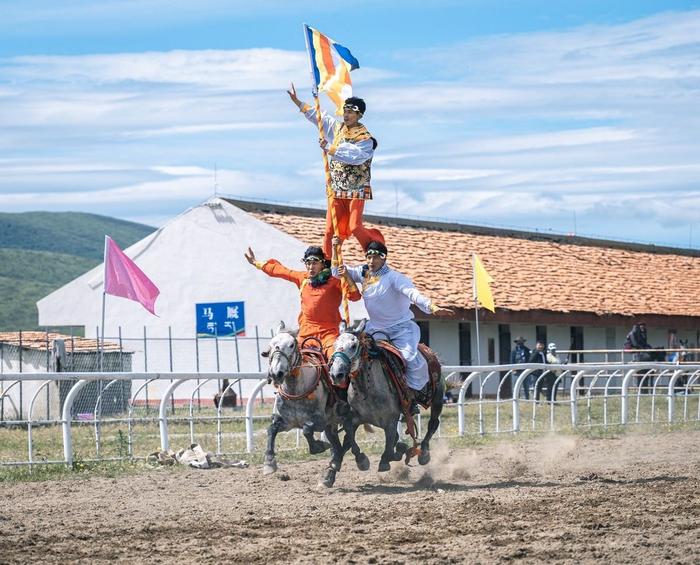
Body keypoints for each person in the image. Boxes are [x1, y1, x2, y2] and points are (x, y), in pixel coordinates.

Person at [333, 236, 452, 408]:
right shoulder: (363, 273)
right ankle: (348, 397)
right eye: (368, 257)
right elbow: (337, 272)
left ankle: (409, 398)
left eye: (375, 257)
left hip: (401, 329)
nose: (371, 261)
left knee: (411, 360)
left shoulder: (394, 277)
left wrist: (432, 306)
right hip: (374, 328)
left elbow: (413, 294)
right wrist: (334, 248)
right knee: (353, 353)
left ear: (384, 258)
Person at [287, 83, 384, 257]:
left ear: (359, 115)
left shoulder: (365, 139)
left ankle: (374, 249)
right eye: (345, 112)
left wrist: (331, 149)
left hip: (356, 188)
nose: (346, 115)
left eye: (350, 112)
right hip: (336, 187)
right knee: (330, 231)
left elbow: (355, 156)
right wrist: (298, 103)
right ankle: (327, 265)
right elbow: (319, 117)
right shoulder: (338, 128)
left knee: (355, 226)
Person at [244, 245, 361, 359]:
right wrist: (256, 263)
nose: (310, 267)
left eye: (314, 263)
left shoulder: (335, 280)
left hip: (329, 334)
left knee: (336, 361)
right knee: (285, 358)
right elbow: (280, 271)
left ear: (322, 264)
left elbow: (355, 297)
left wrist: (346, 276)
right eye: (308, 263)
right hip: (305, 333)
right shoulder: (303, 278)